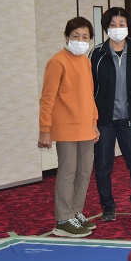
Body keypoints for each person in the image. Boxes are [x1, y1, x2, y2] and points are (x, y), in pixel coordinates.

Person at [38, 16, 100, 238]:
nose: (80, 41)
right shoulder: (57, 62)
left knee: (84, 172)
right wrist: (45, 128)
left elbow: (89, 95)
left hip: (85, 127)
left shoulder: (85, 62)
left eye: (85, 37)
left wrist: (94, 122)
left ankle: (75, 212)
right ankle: (63, 219)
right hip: (66, 129)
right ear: (66, 37)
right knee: (67, 172)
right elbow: (47, 98)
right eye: (76, 36)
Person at [89, 7, 131, 221]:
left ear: (128, 26)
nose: (117, 28)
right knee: (103, 165)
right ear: (106, 28)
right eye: (113, 24)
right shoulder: (97, 53)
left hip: (130, 119)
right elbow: (89, 89)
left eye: (121, 24)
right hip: (104, 121)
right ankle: (108, 206)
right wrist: (92, 120)